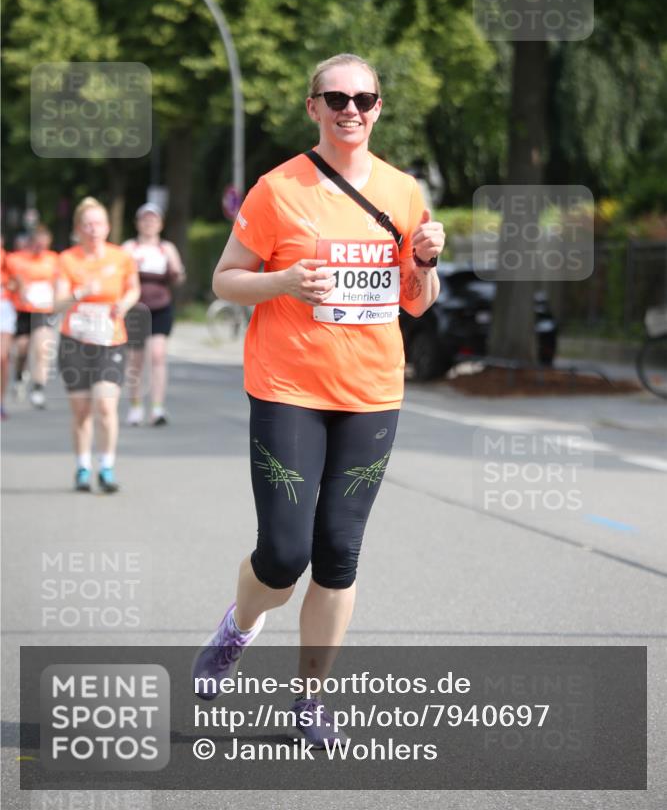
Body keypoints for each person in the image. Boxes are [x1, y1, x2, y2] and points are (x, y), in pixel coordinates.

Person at [193, 53, 445, 746]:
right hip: (287, 388)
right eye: (335, 98)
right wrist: (282, 284)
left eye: (363, 98)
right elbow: (223, 279)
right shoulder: (278, 190)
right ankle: (237, 627)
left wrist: (423, 262)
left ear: (378, 107)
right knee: (282, 553)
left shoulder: (402, 192)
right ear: (312, 108)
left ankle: (308, 699)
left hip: (370, 392)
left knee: (338, 552)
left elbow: (417, 304)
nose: (350, 110)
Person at [53, 198, 140, 493]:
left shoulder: (121, 258)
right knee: (81, 411)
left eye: (98, 223)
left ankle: (106, 466)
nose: (93, 229)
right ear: (78, 228)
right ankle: (82, 466)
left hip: (110, 340)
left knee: (105, 405)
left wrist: (124, 305)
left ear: (108, 227)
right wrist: (79, 292)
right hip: (75, 342)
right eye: (87, 224)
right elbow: (56, 302)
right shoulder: (68, 259)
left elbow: (132, 288)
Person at [122, 203, 186, 426]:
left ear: (160, 224)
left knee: (158, 356)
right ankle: (136, 406)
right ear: (138, 223)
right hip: (136, 310)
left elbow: (179, 277)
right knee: (136, 359)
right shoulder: (130, 247)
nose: (149, 224)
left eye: (153, 220)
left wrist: (175, 273)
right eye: (145, 220)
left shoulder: (166, 248)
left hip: (161, 307)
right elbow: (119, 276)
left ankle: (158, 408)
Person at [5, 224, 59, 409]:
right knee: (22, 348)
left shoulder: (54, 259)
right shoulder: (14, 259)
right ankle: (19, 375)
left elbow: (60, 283)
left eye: (44, 243)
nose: (40, 247)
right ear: (30, 242)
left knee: (42, 348)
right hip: (21, 310)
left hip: (44, 310)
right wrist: (18, 286)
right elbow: (7, 282)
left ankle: (38, 389)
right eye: (37, 243)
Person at [0, 238, 17, 420]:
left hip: (3, 309)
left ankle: (0, 402)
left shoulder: (7, 259)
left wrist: (10, 286)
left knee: (2, 358)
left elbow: (19, 283)